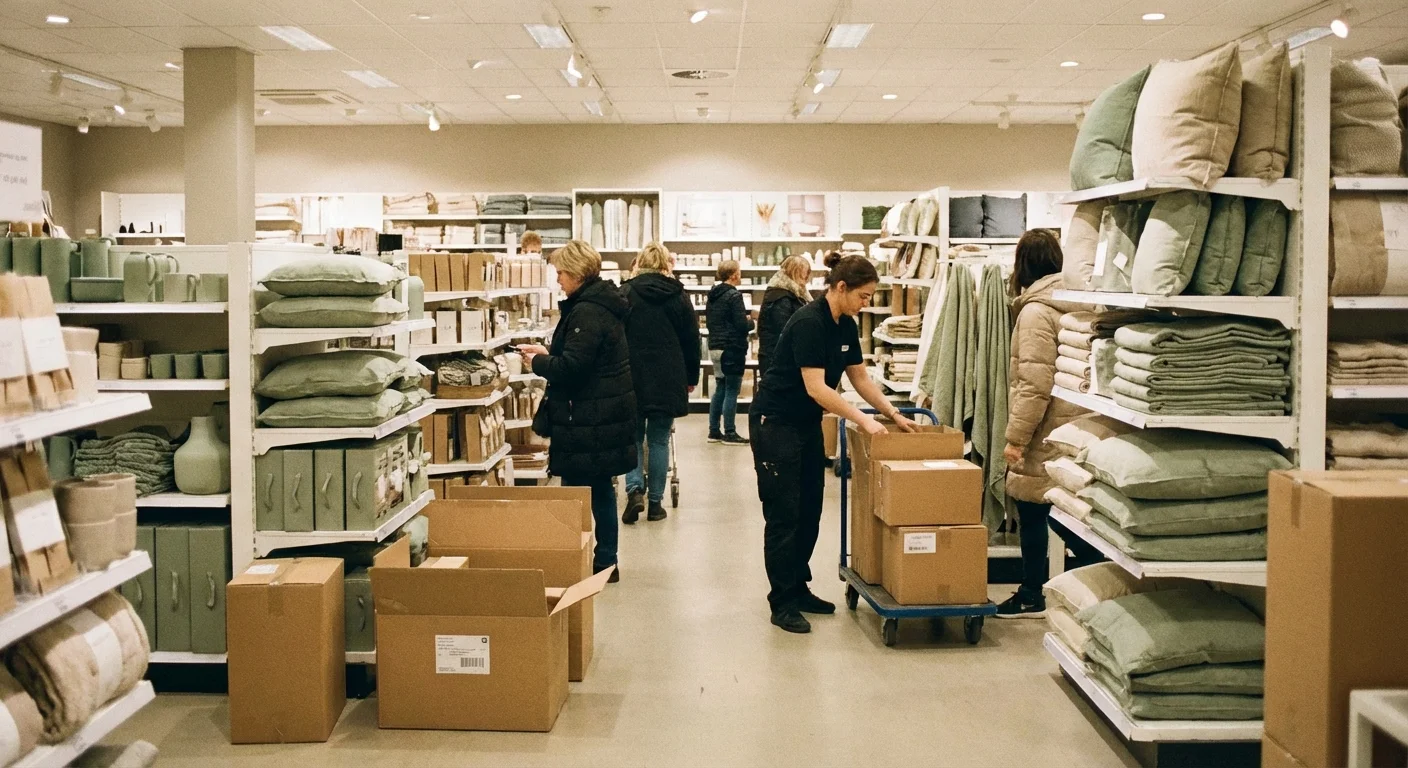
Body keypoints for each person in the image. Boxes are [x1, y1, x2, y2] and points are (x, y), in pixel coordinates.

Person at [749, 253, 918, 634]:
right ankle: (782, 601)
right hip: (775, 424)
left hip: (805, 424)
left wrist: (893, 413)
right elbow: (816, 387)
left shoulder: (845, 326)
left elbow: (860, 379)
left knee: (810, 510)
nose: (866, 304)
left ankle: (799, 586)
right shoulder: (809, 322)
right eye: (863, 296)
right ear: (840, 288)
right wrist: (863, 420)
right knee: (784, 515)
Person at [998, 229, 1104, 618]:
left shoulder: (1034, 311)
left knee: (1034, 510)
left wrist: (1015, 439)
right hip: (1078, 425)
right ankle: (1097, 583)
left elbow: (1033, 382)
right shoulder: (1080, 303)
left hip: (1044, 427)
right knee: (1071, 507)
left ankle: (1031, 593)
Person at [519, 240, 636, 582]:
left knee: (579, 491)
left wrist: (538, 361)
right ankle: (603, 558)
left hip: (588, 416)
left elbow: (572, 367)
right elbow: (583, 355)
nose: (558, 280)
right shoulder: (598, 305)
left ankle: (589, 556)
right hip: (599, 411)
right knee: (598, 487)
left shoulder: (586, 311)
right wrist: (546, 351)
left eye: (560, 273)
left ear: (576, 273)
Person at [620, 242, 701, 524]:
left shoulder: (626, 292)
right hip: (668, 376)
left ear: (640, 262)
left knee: (632, 436)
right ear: (667, 263)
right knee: (658, 440)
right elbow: (692, 340)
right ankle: (656, 503)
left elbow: (615, 335)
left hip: (630, 375)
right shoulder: (678, 295)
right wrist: (692, 377)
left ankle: (633, 490)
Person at [705, 260, 753, 444]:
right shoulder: (734, 296)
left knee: (720, 388)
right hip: (731, 348)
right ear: (733, 274)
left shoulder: (713, 296)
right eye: (739, 272)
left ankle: (714, 431)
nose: (740, 275)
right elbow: (741, 325)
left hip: (715, 347)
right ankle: (730, 432)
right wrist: (752, 321)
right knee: (732, 389)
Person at [757, 255, 813, 377]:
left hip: (781, 357)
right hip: (778, 360)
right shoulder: (781, 297)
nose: (806, 278)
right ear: (794, 272)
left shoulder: (791, 294)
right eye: (804, 273)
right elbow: (785, 330)